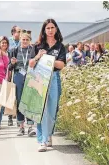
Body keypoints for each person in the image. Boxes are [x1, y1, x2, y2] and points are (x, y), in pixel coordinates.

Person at [29, 18, 66, 152]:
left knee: (52, 110)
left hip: (54, 78)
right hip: (39, 78)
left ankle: (49, 134)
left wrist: (49, 60)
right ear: (44, 30)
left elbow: (61, 65)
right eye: (48, 28)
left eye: (52, 27)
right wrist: (38, 56)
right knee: (41, 110)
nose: (50, 30)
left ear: (56, 29)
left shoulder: (60, 46)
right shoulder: (38, 45)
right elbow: (31, 64)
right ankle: (42, 140)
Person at [8, 30, 36, 137]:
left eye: (27, 40)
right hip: (18, 77)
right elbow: (9, 67)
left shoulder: (33, 51)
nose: (24, 41)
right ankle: (21, 127)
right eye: (23, 39)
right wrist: (12, 63)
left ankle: (30, 127)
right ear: (20, 40)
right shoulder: (14, 50)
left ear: (30, 41)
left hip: (30, 77)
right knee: (19, 101)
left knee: (29, 101)